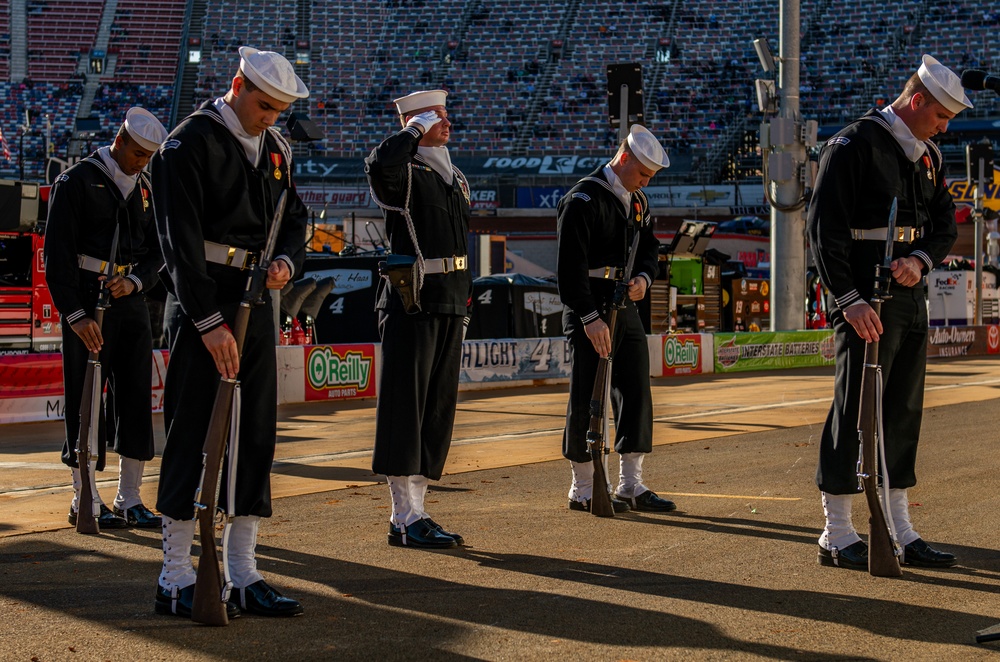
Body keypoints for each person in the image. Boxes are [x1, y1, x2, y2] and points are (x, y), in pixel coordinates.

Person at [151, 46, 308, 619]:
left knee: (254, 439)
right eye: (264, 106)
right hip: (204, 308)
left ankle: (242, 572)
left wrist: (288, 263)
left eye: (279, 111)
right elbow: (177, 243)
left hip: (257, 305)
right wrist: (208, 321)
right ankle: (174, 574)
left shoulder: (277, 150)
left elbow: (295, 219)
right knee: (192, 433)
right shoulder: (186, 144)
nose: (270, 118)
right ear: (237, 85)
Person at [807, 55, 969, 570]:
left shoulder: (928, 155)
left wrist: (920, 261)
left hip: (907, 298)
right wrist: (847, 300)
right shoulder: (854, 144)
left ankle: (900, 528)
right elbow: (823, 229)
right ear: (918, 100)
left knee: (902, 412)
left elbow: (944, 224)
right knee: (853, 409)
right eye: (941, 116)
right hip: (863, 299)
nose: (944, 128)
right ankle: (836, 531)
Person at [44, 107, 168, 531]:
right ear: (119, 140)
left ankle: (129, 497)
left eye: (149, 156)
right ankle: (85, 496)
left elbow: (158, 253)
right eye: (137, 154)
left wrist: (136, 281)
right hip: (85, 301)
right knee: (85, 399)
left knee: (135, 398)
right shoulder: (75, 181)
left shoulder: (147, 186)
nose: (142, 163)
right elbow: (56, 258)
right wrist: (76, 316)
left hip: (129, 302)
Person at [365, 89, 472, 549]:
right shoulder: (403, 172)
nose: (447, 123)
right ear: (415, 121)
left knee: (436, 410)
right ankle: (402, 516)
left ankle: (419, 510)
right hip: (413, 298)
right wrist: (411, 130)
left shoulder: (455, 177)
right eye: (436, 116)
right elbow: (379, 164)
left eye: (447, 114)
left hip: (450, 298)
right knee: (405, 409)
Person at [556, 124, 675, 514]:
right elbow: (568, 269)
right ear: (624, 158)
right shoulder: (583, 198)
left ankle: (630, 483)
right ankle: (584, 486)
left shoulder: (637, 201)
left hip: (625, 304)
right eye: (642, 173)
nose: (645, 182)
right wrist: (590, 317)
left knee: (636, 390)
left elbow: (650, 250)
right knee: (587, 396)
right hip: (590, 305)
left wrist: (643, 277)